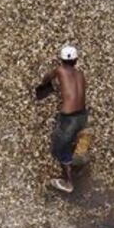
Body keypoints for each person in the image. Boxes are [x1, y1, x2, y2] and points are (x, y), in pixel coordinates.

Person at [35, 44, 87, 193]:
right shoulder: (81, 74)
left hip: (68, 117)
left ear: (61, 60)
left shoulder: (59, 70)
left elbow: (47, 78)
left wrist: (44, 84)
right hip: (83, 115)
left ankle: (68, 181)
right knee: (74, 140)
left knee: (59, 148)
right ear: (76, 60)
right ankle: (78, 163)